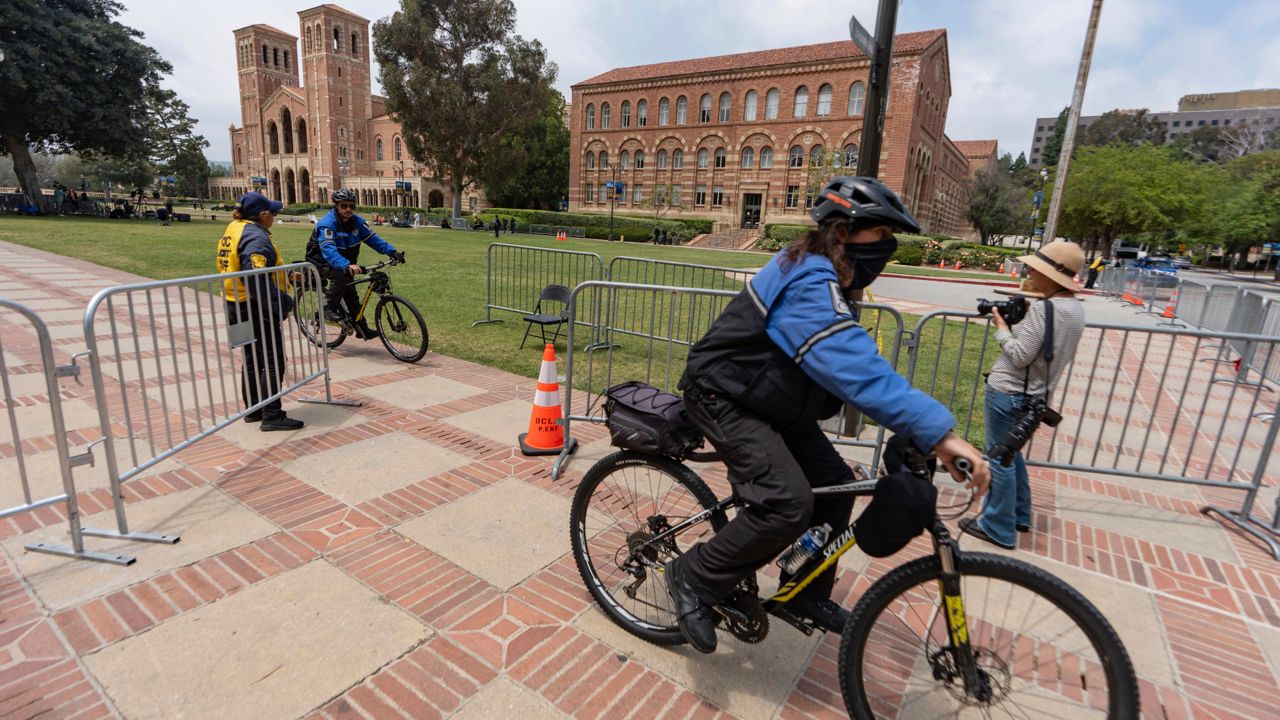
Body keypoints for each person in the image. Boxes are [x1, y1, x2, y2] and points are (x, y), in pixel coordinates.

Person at [668, 176, 991, 653]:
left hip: (769, 400)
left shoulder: (828, 276)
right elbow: (849, 363)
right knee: (786, 502)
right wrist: (938, 433)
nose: (888, 249)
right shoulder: (808, 279)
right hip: (724, 394)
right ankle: (692, 575)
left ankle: (805, 591)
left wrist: (908, 426)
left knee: (835, 489)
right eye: (880, 237)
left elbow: (850, 364)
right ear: (843, 233)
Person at [959, 240, 1086, 550]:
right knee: (1010, 455)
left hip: (1010, 392)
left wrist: (1001, 327)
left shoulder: (1045, 309)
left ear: (1052, 276)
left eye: (1035, 268)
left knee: (998, 459)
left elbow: (1020, 355)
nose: (1029, 271)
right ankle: (1019, 515)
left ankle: (997, 528)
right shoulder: (1074, 309)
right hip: (1035, 396)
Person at [216, 191, 303, 431]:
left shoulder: (234, 228)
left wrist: (285, 276)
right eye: (273, 213)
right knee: (273, 360)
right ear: (262, 215)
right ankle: (272, 414)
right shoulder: (255, 236)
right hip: (254, 306)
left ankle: (255, 408)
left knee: (251, 359)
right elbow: (257, 278)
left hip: (234, 304)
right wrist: (281, 305)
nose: (274, 216)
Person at [305, 189, 403, 340]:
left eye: (352, 206)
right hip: (321, 260)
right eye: (344, 206)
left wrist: (392, 252)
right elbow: (328, 250)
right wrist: (345, 265)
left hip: (345, 261)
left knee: (352, 295)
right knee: (341, 276)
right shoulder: (327, 224)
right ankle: (328, 308)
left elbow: (373, 239)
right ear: (336, 206)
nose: (349, 209)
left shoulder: (357, 221)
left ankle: (362, 329)